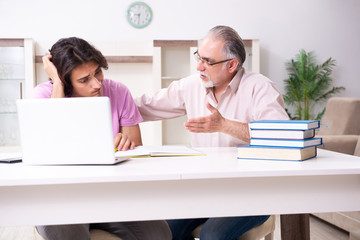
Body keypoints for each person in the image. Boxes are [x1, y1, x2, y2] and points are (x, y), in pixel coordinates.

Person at [135, 25, 289, 240]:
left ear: (232, 65)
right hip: (204, 190)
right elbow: (145, 106)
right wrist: (102, 98)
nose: (199, 66)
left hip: (252, 191)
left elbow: (282, 136)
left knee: (212, 235)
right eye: (199, 57)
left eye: (208, 61)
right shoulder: (191, 86)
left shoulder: (259, 87)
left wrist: (224, 125)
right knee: (166, 230)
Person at [33, 37, 171, 240]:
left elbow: (135, 149)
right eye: (83, 80)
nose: (97, 84)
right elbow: (52, 145)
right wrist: (58, 83)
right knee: (69, 234)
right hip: (61, 196)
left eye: (97, 71)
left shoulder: (119, 91)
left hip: (109, 195)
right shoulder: (44, 96)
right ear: (63, 80)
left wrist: (128, 144)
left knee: (160, 235)